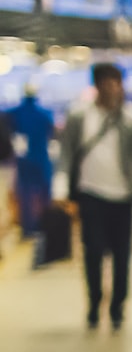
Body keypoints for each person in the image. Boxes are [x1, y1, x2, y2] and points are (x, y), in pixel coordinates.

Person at [54, 63, 132, 331]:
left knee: (122, 254)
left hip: (123, 196)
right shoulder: (79, 116)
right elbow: (66, 153)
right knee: (92, 252)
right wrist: (60, 190)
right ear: (97, 86)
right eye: (107, 82)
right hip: (90, 193)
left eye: (116, 82)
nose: (113, 88)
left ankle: (118, 306)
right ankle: (94, 302)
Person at [9, 85, 54, 244]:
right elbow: (51, 132)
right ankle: (46, 227)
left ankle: (28, 229)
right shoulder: (44, 114)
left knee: (25, 195)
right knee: (44, 194)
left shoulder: (15, 113)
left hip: (25, 159)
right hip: (41, 158)